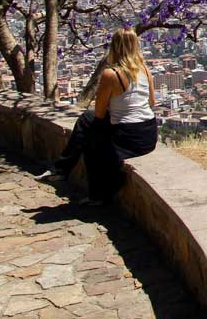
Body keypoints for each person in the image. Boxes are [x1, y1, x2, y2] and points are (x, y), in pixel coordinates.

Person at [36, 28, 158, 204]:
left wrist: (114, 106)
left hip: (127, 135)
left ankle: (68, 175)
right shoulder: (145, 70)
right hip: (148, 133)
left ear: (114, 47)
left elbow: (100, 114)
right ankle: (63, 172)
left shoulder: (112, 74)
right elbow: (151, 102)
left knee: (89, 133)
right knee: (88, 121)